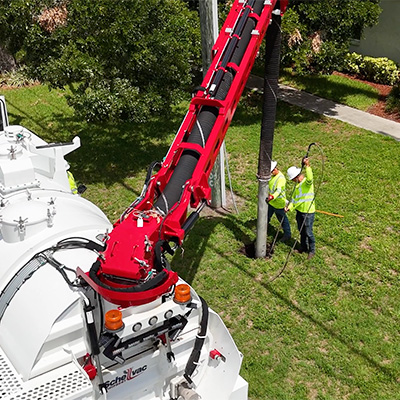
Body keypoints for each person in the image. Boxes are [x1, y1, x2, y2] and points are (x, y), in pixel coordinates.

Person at [285, 157, 316, 259]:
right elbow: (294, 200)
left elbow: (310, 178)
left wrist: (307, 166)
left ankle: (312, 250)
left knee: (308, 232)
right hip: (300, 211)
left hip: (308, 212)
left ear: (297, 177)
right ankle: (303, 247)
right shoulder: (297, 187)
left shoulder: (307, 184)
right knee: (301, 230)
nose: (293, 181)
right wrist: (288, 207)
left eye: (293, 179)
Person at [267, 160, 291, 242]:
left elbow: (279, 190)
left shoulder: (281, 179)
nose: (270, 173)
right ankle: (262, 230)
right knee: (266, 217)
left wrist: (272, 196)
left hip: (278, 203)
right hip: (271, 202)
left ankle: (287, 235)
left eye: (271, 171)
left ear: (275, 169)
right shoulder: (273, 177)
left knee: (282, 219)